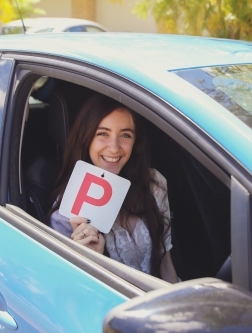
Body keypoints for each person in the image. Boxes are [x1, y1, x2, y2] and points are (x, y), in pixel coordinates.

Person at [46, 93, 178, 283]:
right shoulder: (67, 209)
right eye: (102, 134)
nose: (114, 148)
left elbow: (165, 262)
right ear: (86, 139)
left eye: (125, 135)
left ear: (135, 142)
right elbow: (67, 289)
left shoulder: (154, 184)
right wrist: (90, 260)